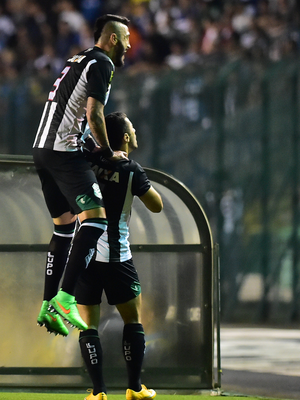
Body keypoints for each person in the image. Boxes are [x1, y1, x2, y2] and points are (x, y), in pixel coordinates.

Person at [34, 14, 131, 335]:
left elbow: (69, 108)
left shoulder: (78, 59)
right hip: (63, 149)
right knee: (95, 219)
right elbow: (93, 112)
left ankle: (48, 305)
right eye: (126, 38)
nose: (130, 45)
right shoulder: (103, 63)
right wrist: (106, 150)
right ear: (113, 38)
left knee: (64, 228)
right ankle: (66, 297)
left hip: (42, 150)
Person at [75, 111, 163, 400]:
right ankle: (135, 387)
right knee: (133, 320)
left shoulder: (87, 161)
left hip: (85, 255)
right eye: (133, 129)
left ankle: (98, 392)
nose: (136, 132)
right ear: (125, 137)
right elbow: (157, 206)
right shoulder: (131, 169)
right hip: (117, 257)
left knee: (89, 324)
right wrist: (137, 180)